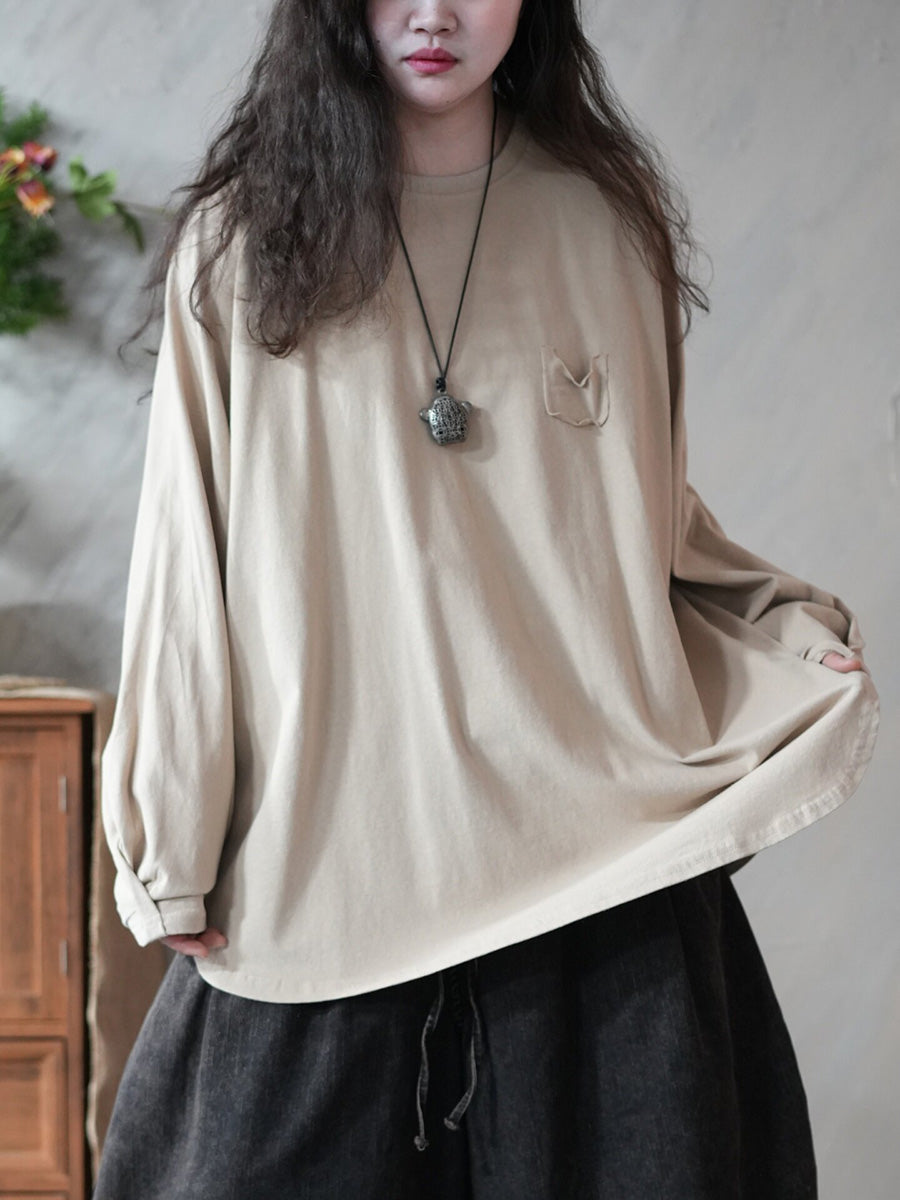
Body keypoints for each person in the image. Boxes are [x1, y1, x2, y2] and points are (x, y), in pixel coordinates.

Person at [94, 1, 880, 1197]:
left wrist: (783, 632)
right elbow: (186, 564)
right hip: (332, 868)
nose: (435, 12)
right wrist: (173, 842)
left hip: (596, 866)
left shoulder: (603, 226)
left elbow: (650, 524)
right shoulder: (243, 245)